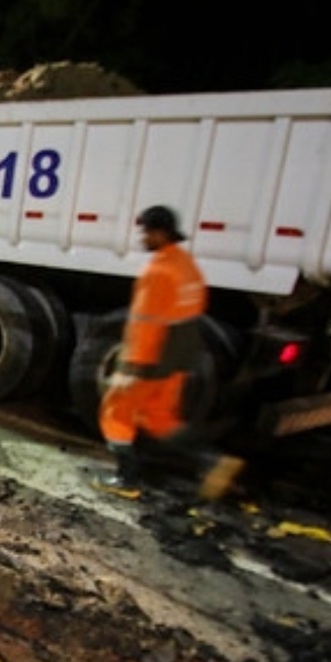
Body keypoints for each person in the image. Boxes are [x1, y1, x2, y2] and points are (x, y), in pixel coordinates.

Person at [97, 205, 241, 499]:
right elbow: (188, 319)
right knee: (160, 419)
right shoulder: (187, 267)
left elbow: (145, 325)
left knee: (115, 414)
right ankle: (213, 460)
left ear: (160, 233)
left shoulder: (158, 272)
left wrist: (129, 369)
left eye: (146, 232)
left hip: (148, 362)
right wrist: (180, 366)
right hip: (176, 363)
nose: (143, 237)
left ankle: (128, 479)